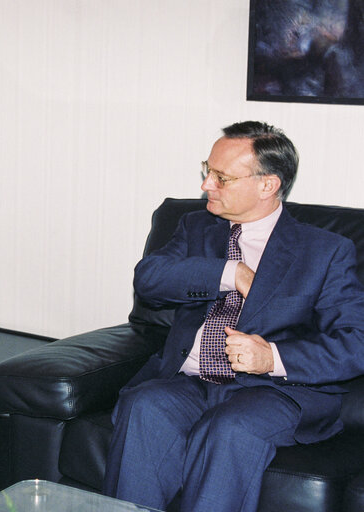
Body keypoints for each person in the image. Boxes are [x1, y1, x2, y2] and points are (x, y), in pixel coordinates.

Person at [102, 121, 364, 512]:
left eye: (221, 177)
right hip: (189, 381)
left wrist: (271, 357)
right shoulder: (195, 227)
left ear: (267, 185)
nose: (207, 185)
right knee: (145, 407)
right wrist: (230, 274)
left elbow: (355, 342)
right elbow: (150, 279)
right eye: (207, 170)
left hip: (274, 393)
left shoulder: (325, 251)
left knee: (229, 429)